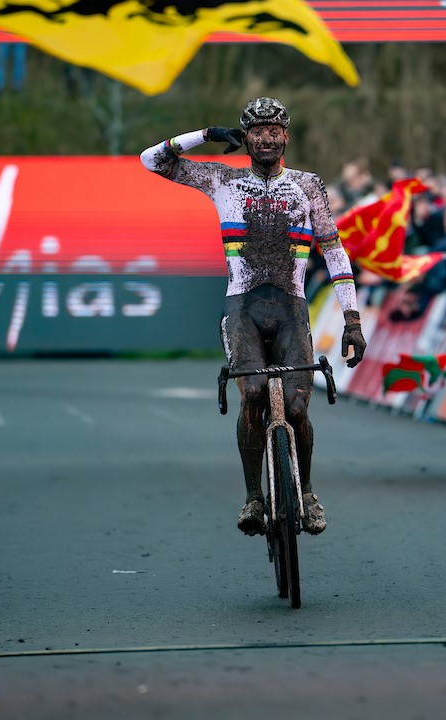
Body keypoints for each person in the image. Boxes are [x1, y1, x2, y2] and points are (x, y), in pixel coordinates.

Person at [140, 97, 366, 537]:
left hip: (291, 308)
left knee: (298, 408)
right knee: (254, 394)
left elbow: (334, 250)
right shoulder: (220, 178)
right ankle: (253, 497)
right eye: (255, 131)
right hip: (242, 307)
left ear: (286, 136)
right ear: (245, 139)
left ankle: (308, 493)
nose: (265, 138)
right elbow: (152, 161)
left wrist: (352, 321)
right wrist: (204, 135)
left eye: (273, 130)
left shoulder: (308, 185)